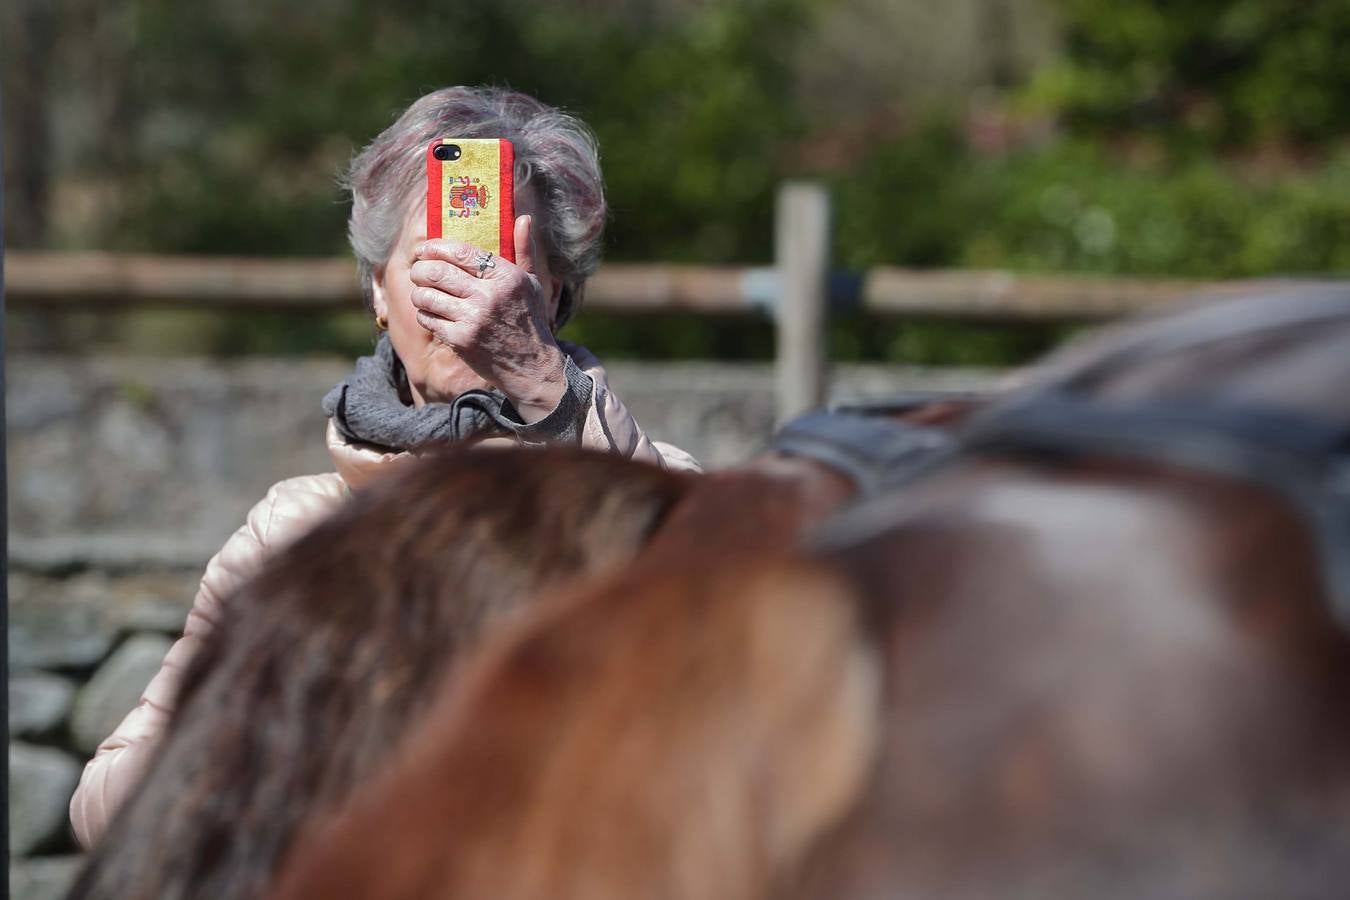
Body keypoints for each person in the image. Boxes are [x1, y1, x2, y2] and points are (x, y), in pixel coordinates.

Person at [69, 85, 702, 847]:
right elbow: (107, 813)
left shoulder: (663, 487)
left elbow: (720, 669)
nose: (467, 293)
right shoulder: (290, 531)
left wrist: (545, 388)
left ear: (555, 293)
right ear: (376, 288)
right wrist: (265, 720)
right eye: (433, 261)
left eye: (497, 259)